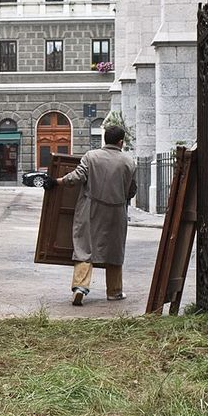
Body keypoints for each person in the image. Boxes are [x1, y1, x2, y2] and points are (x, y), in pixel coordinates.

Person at [44, 124, 137, 305]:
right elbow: (132, 191)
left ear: (104, 140)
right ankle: (114, 291)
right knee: (114, 249)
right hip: (116, 211)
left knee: (85, 248)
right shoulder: (129, 161)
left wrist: (56, 181)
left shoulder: (91, 156)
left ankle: (80, 287)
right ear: (121, 142)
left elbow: (77, 177)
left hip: (90, 208)